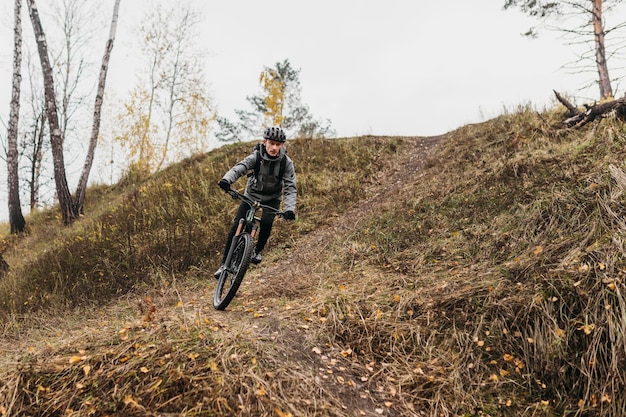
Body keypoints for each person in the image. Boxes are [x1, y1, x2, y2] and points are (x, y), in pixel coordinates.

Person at [215, 126, 297, 278]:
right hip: (251, 195)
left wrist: (289, 209)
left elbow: (291, 187)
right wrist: (227, 180)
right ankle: (223, 265)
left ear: (282, 145)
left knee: (266, 223)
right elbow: (240, 168)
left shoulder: (286, 163)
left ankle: (257, 250)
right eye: (271, 143)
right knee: (236, 225)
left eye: (278, 145)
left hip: (272, 198)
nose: (274, 148)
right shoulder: (256, 156)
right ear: (264, 141)